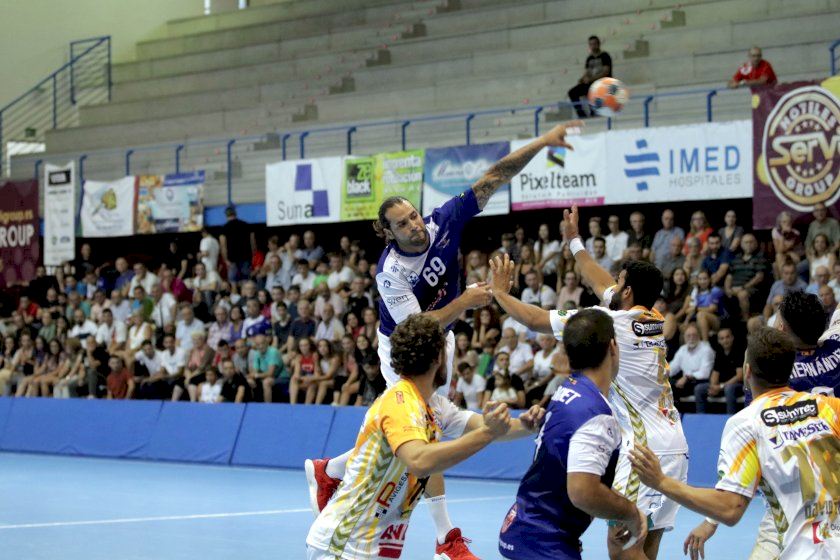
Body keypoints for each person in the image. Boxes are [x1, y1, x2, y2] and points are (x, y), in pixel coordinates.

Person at [305, 122, 581, 559]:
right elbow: (419, 327)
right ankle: (445, 537)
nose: (414, 226)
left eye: (414, 215)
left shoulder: (444, 221)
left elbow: (495, 176)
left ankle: (332, 469)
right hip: (403, 345)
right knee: (426, 425)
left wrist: (544, 142)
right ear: (388, 233)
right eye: (402, 224)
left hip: (442, 336)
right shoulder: (390, 272)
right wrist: (467, 301)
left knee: (432, 421)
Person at [489, 204, 687, 560]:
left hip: (643, 449)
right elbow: (599, 281)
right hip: (675, 443)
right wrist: (575, 242)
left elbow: (535, 319)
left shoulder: (608, 323)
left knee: (622, 547)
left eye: (619, 282)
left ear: (628, 291)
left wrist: (500, 294)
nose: (612, 285)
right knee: (646, 545)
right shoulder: (652, 317)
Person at [306, 314, 540, 560]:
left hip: (370, 546)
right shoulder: (400, 402)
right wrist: (488, 432)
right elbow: (420, 460)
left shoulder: (434, 405)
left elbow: (487, 426)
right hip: (343, 546)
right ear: (439, 358)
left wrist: (531, 424)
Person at [630, 327, 840, 560]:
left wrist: (661, 481)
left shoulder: (747, 423)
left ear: (747, 371)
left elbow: (730, 508)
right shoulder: (830, 407)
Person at [684, 291, 840, 557]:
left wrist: (711, 521)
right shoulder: (835, 346)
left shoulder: (774, 371)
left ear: (783, 329)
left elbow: (753, 459)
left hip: (791, 505)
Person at [499, 309, 647, 559]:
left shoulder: (567, 389)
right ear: (613, 346)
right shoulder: (595, 413)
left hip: (526, 527)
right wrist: (630, 513)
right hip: (544, 543)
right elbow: (582, 492)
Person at [694, 327, 744, 414]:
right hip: (721, 386)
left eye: (727, 337)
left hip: (737, 386)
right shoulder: (719, 352)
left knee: (729, 389)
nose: (725, 340)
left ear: (732, 338)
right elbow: (715, 373)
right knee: (699, 388)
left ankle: (730, 417)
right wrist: (713, 386)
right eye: (722, 338)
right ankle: (701, 417)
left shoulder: (739, 351)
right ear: (719, 341)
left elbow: (740, 376)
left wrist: (721, 387)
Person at [567, 35, 612, 118]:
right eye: (591, 44)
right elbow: (587, 72)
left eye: (594, 44)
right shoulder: (589, 58)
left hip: (602, 82)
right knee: (572, 92)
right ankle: (581, 114)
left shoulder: (605, 56)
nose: (593, 46)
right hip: (591, 82)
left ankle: (594, 111)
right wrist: (582, 79)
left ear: (598, 44)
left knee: (591, 88)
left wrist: (591, 79)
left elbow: (605, 72)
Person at [219, 206, 255, 284]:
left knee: (233, 283)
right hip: (246, 257)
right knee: (246, 281)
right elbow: (253, 242)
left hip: (231, 259)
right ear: (235, 213)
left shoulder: (224, 228)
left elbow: (223, 246)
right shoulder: (246, 225)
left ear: (226, 215)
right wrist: (252, 255)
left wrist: (226, 260)